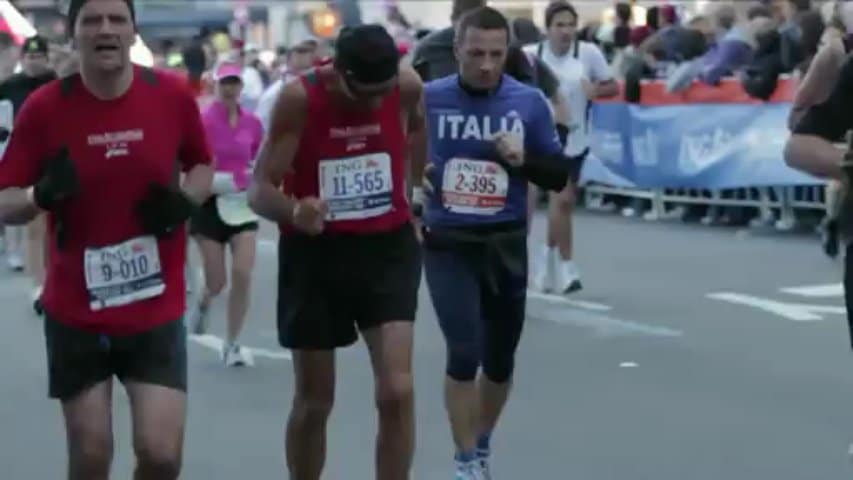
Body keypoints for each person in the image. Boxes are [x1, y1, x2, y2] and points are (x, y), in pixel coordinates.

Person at [0, 0, 213, 478]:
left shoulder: (172, 95)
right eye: (91, 20)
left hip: (153, 305)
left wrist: (185, 201)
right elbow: (5, 200)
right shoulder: (46, 108)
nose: (105, 30)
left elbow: (202, 164)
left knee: (160, 456)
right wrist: (41, 194)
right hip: (77, 308)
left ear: (133, 31)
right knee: (92, 455)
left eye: (117, 19)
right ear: (73, 33)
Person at [248, 24, 426, 480]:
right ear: (337, 72)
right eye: (362, 93)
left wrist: (415, 197)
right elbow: (259, 191)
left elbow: (418, 131)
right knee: (315, 400)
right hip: (316, 255)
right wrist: (293, 210)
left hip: (386, 247)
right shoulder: (299, 98)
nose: (372, 102)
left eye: (380, 92)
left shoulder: (406, 85)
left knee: (397, 390)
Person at [417, 7, 578, 479]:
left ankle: (482, 441)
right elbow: (397, 153)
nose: (486, 65)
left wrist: (522, 158)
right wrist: (414, 180)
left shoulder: (527, 102)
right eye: (475, 54)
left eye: (495, 54)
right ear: (456, 51)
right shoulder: (429, 99)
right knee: (463, 353)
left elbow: (556, 172)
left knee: (500, 360)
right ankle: (465, 460)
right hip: (448, 240)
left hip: (504, 240)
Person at [524, 0, 618, 295]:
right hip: (534, 141)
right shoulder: (531, 56)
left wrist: (597, 90)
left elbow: (612, 85)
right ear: (547, 29)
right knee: (527, 204)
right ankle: (534, 262)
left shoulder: (587, 53)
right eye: (559, 25)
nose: (566, 31)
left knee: (563, 201)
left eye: (570, 25)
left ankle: (561, 264)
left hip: (573, 139)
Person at [189, 61, 263, 368]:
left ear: (241, 87)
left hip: (241, 204)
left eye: (235, 83)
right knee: (217, 280)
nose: (230, 89)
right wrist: (209, 181)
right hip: (209, 205)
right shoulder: (203, 121)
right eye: (225, 83)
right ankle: (205, 302)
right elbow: (191, 162)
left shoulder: (253, 123)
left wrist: (251, 179)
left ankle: (232, 343)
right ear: (214, 86)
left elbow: (259, 158)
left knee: (243, 274)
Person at [0, 36, 56, 314]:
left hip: (56, 159)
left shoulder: (58, 85)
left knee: (56, 226)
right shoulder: (9, 87)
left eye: (39, 57)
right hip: (24, 162)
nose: (34, 62)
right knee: (34, 225)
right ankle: (39, 286)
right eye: (30, 57)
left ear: (47, 59)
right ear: (23, 59)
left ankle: (57, 280)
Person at [255, 37, 319, 130]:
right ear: (289, 59)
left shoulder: (319, 87)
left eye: (306, 53)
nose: (302, 58)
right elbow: (261, 123)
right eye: (299, 53)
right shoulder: (276, 92)